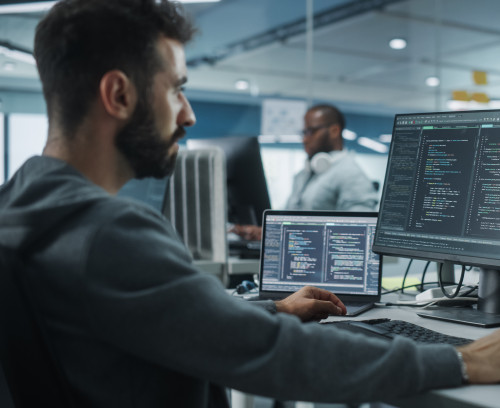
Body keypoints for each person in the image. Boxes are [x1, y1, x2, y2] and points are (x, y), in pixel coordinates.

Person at [1, 1, 500, 407]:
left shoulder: (21, 206)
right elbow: (277, 358)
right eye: (176, 89)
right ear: (118, 94)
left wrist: (275, 309)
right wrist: (461, 362)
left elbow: (185, 328)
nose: (189, 115)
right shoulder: (108, 232)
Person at [232, 104, 378, 241]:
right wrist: (264, 232)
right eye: (303, 132)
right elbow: (288, 220)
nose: (305, 139)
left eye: (311, 131)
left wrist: (291, 235)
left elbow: (359, 233)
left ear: (334, 131)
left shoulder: (351, 174)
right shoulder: (304, 174)